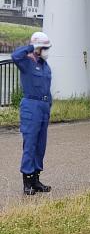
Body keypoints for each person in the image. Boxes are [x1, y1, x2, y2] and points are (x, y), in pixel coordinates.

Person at [11, 32, 53, 195]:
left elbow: (46, 87)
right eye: (44, 47)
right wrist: (31, 47)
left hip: (43, 106)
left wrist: (49, 104)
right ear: (38, 47)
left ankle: (36, 179)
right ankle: (27, 182)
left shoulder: (44, 65)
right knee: (30, 144)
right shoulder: (27, 62)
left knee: (40, 145)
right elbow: (15, 56)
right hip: (31, 105)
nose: (47, 51)